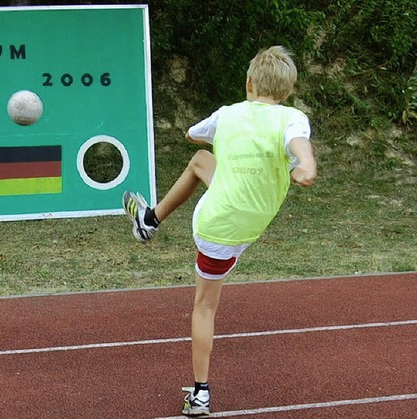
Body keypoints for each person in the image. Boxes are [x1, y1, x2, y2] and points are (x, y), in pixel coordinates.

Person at [123, 45, 317, 416]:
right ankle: (149, 221)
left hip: (217, 226)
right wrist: (304, 165)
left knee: (204, 306)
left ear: (248, 82)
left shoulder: (227, 115)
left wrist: (223, 135)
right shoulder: (292, 118)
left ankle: (200, 393)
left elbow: (191, 135)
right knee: (202, 163)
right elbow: (298, 144)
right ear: (287, 92)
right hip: (254, 218)